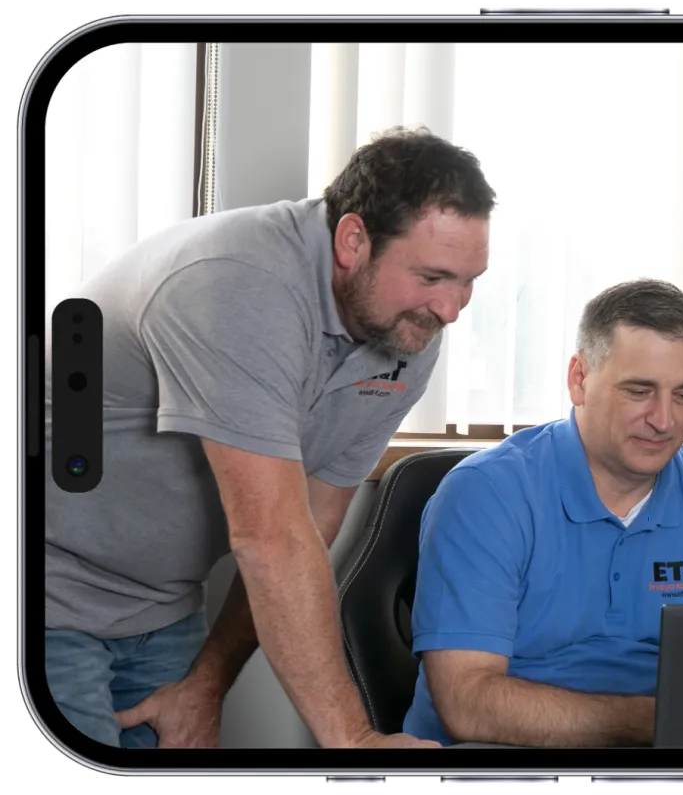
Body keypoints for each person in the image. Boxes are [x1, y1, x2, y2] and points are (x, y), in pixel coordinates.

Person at [41, 126, 497, 750]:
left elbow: (310, 526)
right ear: (353, 240)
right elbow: (270, 538)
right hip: (48, 593)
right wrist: (354, 743)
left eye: (469, 280)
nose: (451, 308)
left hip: (163, 608)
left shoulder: (404, 333)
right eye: (432, 276)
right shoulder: (237, 282)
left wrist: (207, 683)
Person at [401, 278, 683, 748]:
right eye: (639, 391)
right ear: (579, 379)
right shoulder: (484, 494)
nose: (664, 420)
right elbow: (467, 705)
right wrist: (655, 722)